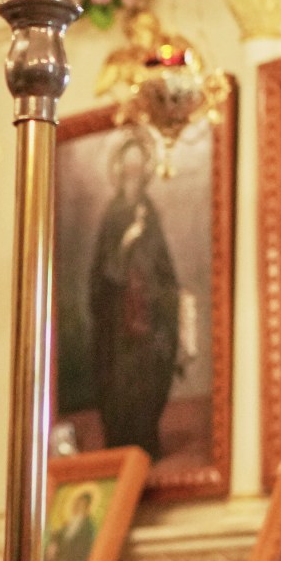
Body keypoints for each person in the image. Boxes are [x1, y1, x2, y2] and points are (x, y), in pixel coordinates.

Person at [86, 138, 182, 458]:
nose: (133, 173)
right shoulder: (114, 214)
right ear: (121, 171)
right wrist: (127, 243)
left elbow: (161, 260)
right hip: (120, 319)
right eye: (128, 168)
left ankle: (146, 439)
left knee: (148, 375)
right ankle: (121, 441)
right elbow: (104, 270)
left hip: (149, 313)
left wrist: (168, 296)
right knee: (122, 380)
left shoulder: (149, 211)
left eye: (138, 168)